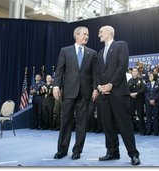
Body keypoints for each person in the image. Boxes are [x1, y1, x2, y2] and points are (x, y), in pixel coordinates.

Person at [96, 25, 140, 165]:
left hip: (118, 93)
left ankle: (133, 154)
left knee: (124, 125)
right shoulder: (100, 52)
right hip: (104, 94)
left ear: (109, 32)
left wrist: (111, 84)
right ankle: (112, 152)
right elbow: (97, 73)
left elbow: (122, 66)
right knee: (107, 125)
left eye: (101, 32)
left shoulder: (121, 45)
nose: (99, 35)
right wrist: (99, 86)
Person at [52, 26, 98, 160]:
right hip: (69, 92)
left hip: (85, 92)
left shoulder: (92, 53)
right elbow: (60, 71)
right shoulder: (65, 51)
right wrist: (56, 86)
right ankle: (62, 150)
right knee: (65, 121)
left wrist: (95, 89)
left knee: (82, 123)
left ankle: (77, 150)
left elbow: (94, 73)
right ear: (76, 35)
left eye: (88, 35)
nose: (87, 37)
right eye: (84, 34)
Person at [128, 67, 146, 135]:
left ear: (138, 72)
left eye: (136, 71)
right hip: (131, 100)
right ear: (132, 72)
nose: (134, 72)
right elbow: (126, 89)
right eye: (133, 71)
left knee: (140, 116)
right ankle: (131, 131)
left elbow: (144, 88)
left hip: (139, 100)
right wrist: (130, 94)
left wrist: (137, 93)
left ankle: (142, 131)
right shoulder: (130, 80)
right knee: (130, 116)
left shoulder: (141, 80)